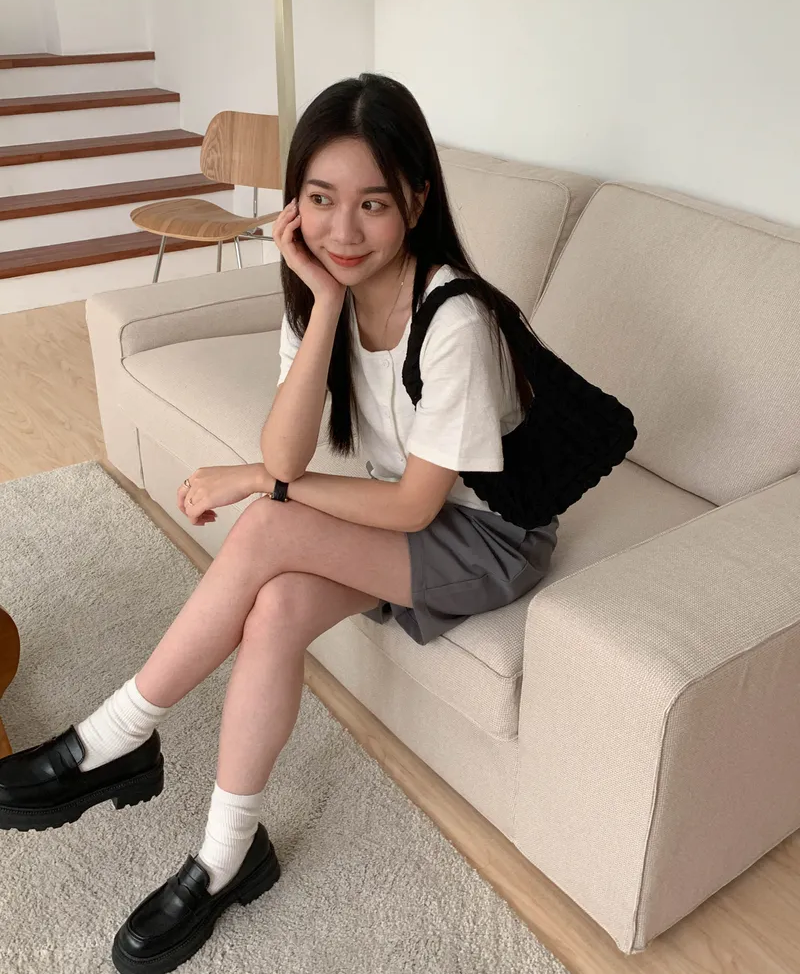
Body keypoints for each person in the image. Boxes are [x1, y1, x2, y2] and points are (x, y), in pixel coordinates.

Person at [0, 72, 559, 973]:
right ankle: (228, 855)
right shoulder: (325, 290)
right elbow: (290, 453)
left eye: (373, 203)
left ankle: (113, 737)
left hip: (489, 541)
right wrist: (326, 305)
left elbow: (412, 505)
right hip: (410, 520)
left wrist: (261, 484)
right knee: (277, 606)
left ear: (416, 202)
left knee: (265, 524)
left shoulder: (455, 316)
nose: (344, 231)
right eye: (321, 199)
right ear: (293, 203)